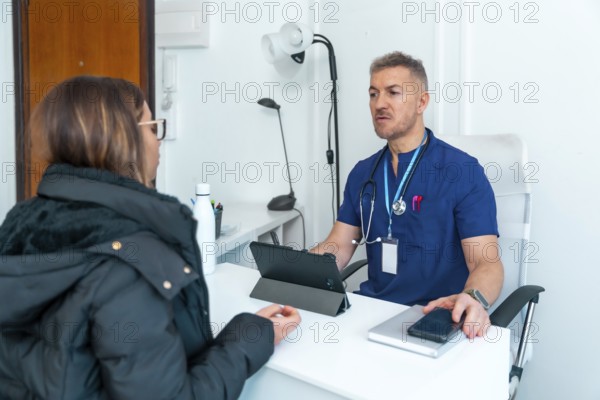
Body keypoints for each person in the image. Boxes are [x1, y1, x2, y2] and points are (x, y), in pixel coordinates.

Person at [0, 76, 300, 399]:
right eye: (153, 127)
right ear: (124, 140)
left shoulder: (19, 222)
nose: (159, 142)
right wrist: (249, 338)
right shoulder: (131, 260)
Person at [311, 51, 503, 339]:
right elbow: (339, 246)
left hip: (435, 317)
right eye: (373, 94)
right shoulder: (363, 174)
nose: (380, 104)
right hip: (371, 313)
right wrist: (297, 270)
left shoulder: (462, 172)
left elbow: (486, 262)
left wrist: (473, 298)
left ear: (421, 102)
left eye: (393, 92)